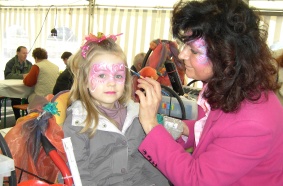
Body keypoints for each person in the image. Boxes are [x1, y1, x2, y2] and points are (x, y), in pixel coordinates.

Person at [135, 0, 283, 185]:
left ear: (226, 55)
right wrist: (179, 128)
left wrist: (151, 124)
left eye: (194, 51)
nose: (181, 55)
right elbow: (211, 129)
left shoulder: (254, 123)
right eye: (184, 45)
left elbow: (196, 180)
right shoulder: (230, 85)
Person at [62, 32, 169, 186]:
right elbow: (78, 176)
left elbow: (148, 162)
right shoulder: (78, 122)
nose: (111, 83)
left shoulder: (135, 114)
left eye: (118, 76)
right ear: (84, 80)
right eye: (102, 75)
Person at [4, 46, 32, 120]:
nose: (25, 55)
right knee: (15, 99)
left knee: (30, 97)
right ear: (18, 53)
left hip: (25, 88)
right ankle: (17, 118)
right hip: (14, 88)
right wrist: (22, 76)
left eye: (26, 53)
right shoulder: (10, 63)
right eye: (23, 53)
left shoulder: (29, 64)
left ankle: (27, 117)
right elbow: (7, 76)